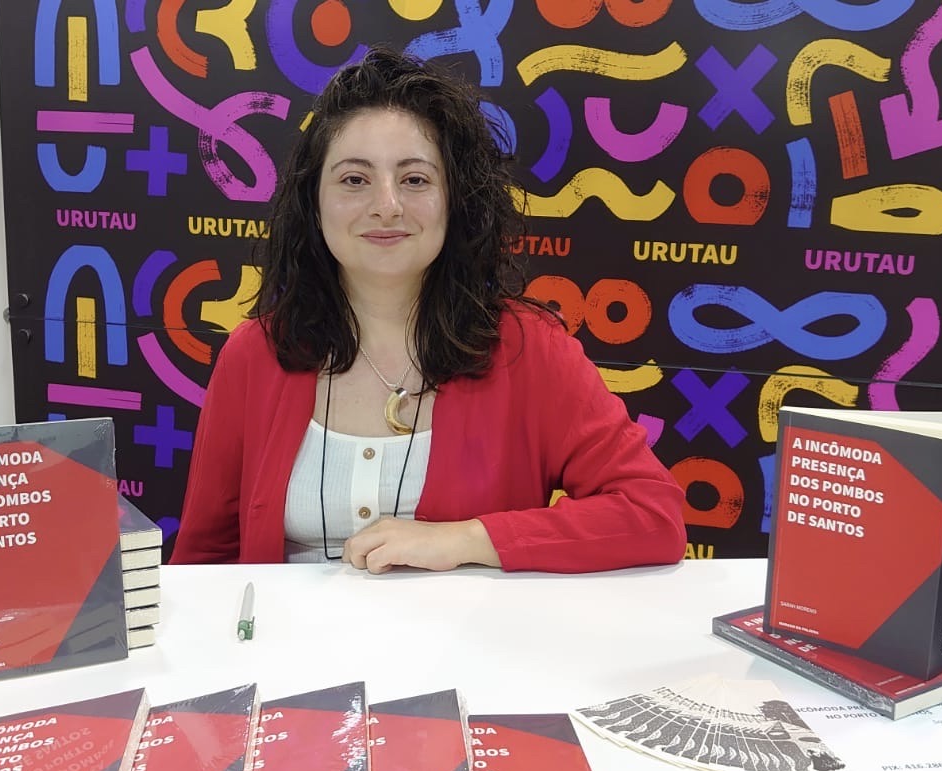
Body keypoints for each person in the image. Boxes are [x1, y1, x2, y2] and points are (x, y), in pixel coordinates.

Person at [170, 45, 686, 574]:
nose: (387, 205)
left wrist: (469, 539)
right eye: (354, 179)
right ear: (313, 201)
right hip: (285, 654)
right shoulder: (253, 355)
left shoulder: (529, 348)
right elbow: (204, 563)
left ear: (454, 199)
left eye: (415, 179)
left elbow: (653, 515)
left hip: (471, 652)